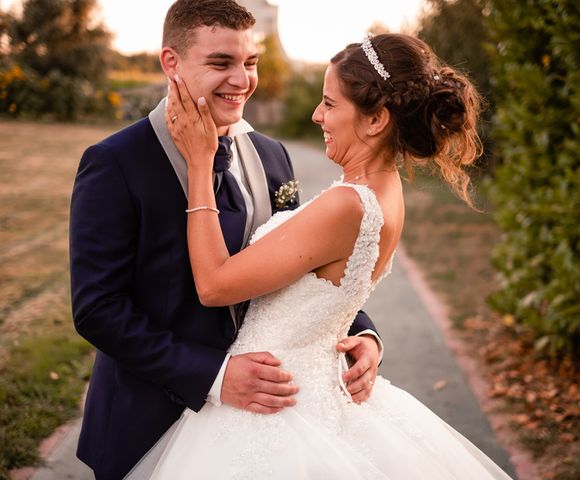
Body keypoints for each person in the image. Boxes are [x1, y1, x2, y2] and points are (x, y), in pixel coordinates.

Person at [125, 30, 513, 479]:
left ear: (376, 120)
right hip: (313, 392)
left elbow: (214, 285)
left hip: (275, 408)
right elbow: (327, 288)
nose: (316, 115)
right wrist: (367, 337)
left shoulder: (347, 204)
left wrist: (199, 164)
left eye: (329, 104)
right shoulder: (385, 193)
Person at [69, 1, 382, 478]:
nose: (242, 80)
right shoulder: (116, 162)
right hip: (148, 422)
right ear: (171, 62)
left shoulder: (271, 155)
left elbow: (303, 261)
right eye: (221, 63)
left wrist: (361, 331)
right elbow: (98, 308)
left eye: (250, 63)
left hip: (265, 429)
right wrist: (213, 376)